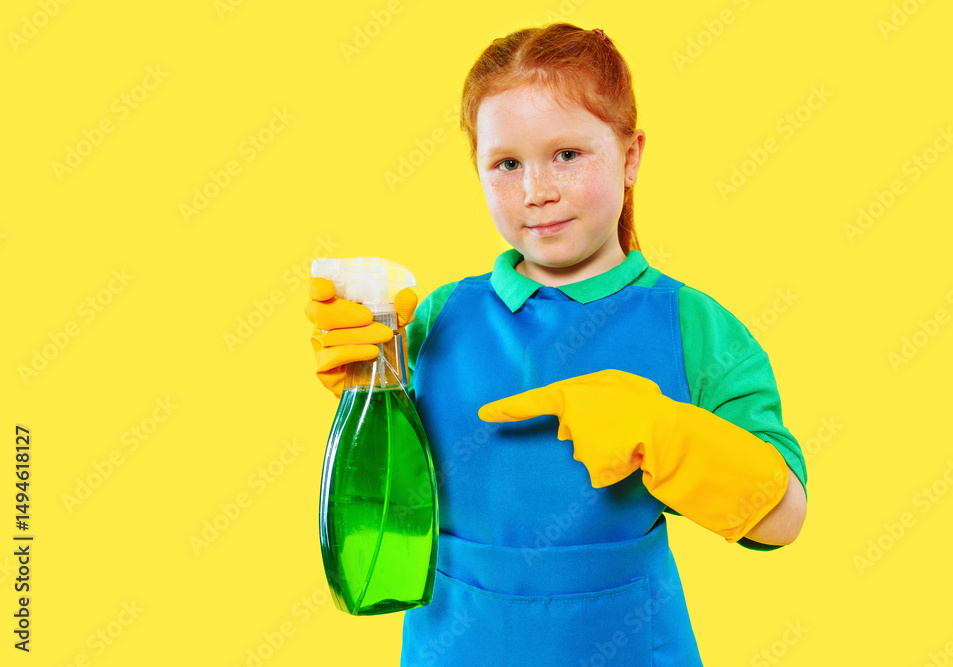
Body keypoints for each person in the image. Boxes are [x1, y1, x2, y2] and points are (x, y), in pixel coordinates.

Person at [306, 23, 807, 666]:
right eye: (506, 164)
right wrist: (370, 394)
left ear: (630, 156)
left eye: (567, 154)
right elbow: (396, 497)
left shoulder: (693, 327)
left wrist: (665, 431)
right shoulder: (437, 319)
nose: (536, 191)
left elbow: (783, 518)